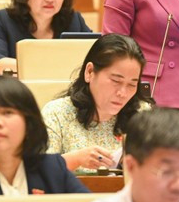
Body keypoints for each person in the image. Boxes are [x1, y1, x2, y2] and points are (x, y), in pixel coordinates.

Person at [42, 34, 152, 171]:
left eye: (132, 84)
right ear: (89, 72)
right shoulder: (57, 113)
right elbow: (38, 171)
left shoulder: (142, 114)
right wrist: (76, 159)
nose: (123, 93)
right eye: (116, 81)